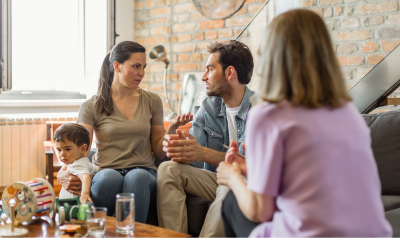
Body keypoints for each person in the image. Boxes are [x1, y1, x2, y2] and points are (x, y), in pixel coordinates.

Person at [217, 9, 392, 237]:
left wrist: (232, 176)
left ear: (271, 58)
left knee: (232, 201)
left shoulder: (268, 115)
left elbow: (260, 210)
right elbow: (313, 179)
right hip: (374, 234)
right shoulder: (347, 112)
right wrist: (250, 167)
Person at [57, 41, 191, 223]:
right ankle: (95, 231)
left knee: (137, 176)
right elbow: (79, 149)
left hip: (144, 171)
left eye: (143, 67)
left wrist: (173, 128)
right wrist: (64, 171)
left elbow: (159, 151)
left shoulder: (152, 101)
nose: (141, 73)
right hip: (104, 169)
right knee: (108, 178)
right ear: (117, 66)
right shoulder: (91, 106)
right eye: (136, 66)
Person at [157, 40, 254, 237]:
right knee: (168, 169)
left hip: (248, 182)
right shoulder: (208, 107)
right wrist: (177, 146)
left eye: (210, 69)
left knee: (230, 187)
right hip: (215, 178)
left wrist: (202, 152)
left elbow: (248, 165)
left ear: (229, 73)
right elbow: (192, 154)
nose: (203, 77)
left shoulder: (260, 110)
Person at [55, 123, 99, 204]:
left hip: (74, 204)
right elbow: (98, 169)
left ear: (82, 149)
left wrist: (85, 194)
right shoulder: (83, 162)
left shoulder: (77, 164)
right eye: (59, 150)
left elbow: (86, 177)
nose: (62, 154)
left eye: (67, 149)